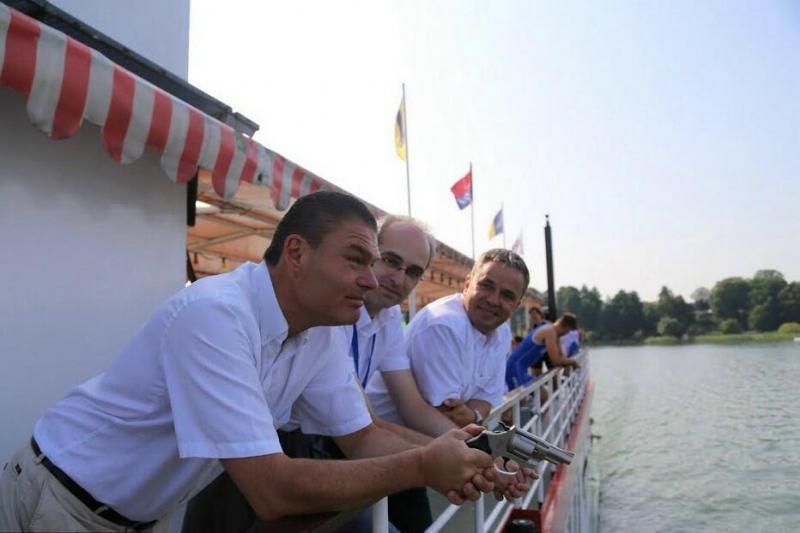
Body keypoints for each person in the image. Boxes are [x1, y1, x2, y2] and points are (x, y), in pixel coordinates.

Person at [0, 192, 497, 533]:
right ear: (296, 253)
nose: (372, 280)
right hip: (61, 502)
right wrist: (425, 465)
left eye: (375, 264)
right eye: (355, 259)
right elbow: (271, 489)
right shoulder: (215, 315)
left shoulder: (321, 331)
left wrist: (469, 454)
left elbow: (363, 436)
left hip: (139, 515)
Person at [505, 313, 581, 390]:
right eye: (568, 331)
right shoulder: (549, 332)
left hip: (522, 370)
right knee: (524, 397)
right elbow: (555, 360)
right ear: (566, 327)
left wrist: (568, 363)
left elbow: (561, 356)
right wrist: (573, 362)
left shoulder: (554, 332)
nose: (567, 334)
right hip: (514, 368)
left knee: (543, 395)